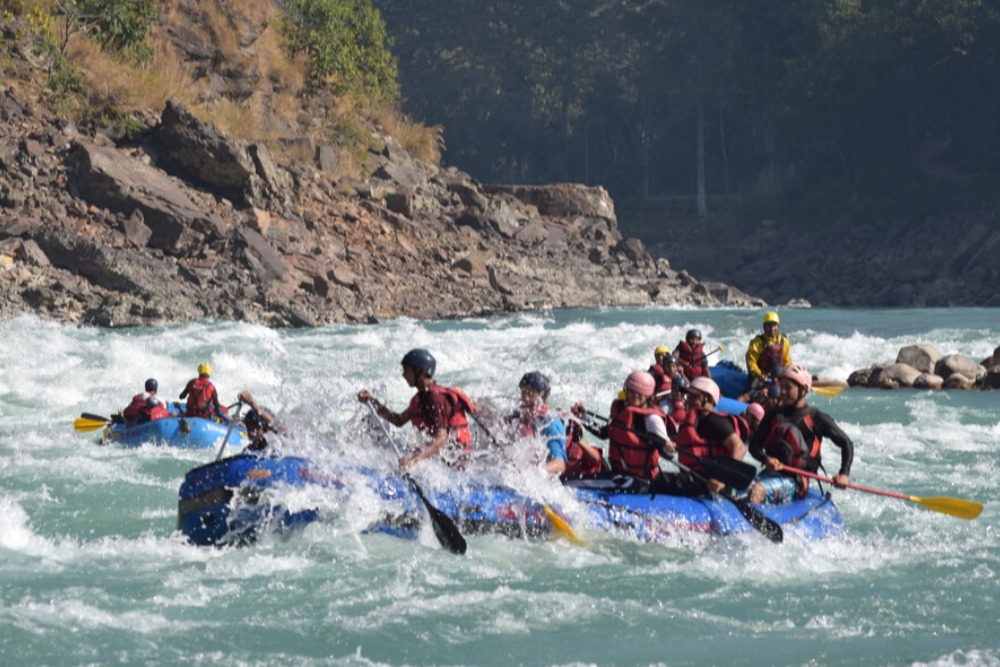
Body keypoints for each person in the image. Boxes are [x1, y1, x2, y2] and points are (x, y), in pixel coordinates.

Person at [746, 364, 854, 505]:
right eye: (781, 387)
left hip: (796, 482)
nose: (782, 392)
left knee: (757, 491)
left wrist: (844, 474)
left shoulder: (816, 418)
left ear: (803, 390)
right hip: (769, 474)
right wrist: (766, 459)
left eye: (788, 388)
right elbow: (754, 446)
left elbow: (846, 443)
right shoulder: (773, 415)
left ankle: (748, 526)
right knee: (737, 493)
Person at [357, 349, 475, 469]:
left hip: (458, 462)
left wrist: (414, 461)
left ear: (420, 372)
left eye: (406, 370)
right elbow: (398, 420)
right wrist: (371, 401)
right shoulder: (421, 398)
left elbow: (442, 439)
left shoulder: (435, 397)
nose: (403, 375)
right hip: (441, 458)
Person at [571, 371, 673, 487]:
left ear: (648, 395)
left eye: (640, 393)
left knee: (571, 483)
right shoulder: (620, 408)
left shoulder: (652, 419)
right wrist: (584, 417)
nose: (635, 395)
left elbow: (668, 455)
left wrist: (667, 448)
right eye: (632, 391)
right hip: (620, 474)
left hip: (637, 480)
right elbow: (604, 433)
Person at [660, 377, 747, 497]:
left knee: (657, 480)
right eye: (689, 396)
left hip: (712, 485)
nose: (689, 400)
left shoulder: (713, 420)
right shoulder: (696, 420)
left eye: (694, 396)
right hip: (696, 479)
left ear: (709, 399)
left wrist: (722, 479)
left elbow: (739, 447)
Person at [513, 371, 567, 475]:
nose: (525, 398)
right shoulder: (523, 414)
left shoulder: (550, 423)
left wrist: (530, 472)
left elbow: (560, 464)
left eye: (530, 394)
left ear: (542, 397)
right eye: (523, 393)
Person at [745, 311, 792, 384]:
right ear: (764, 327)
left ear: (778, 326)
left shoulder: (784, 341)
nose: (772, 328)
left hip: (777, 377)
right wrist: (759, 375)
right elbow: (751, 362)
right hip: (761, 378)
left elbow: (787, 361)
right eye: (769, 326)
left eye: (774, 325)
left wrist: (788, 374)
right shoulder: (757, 343)